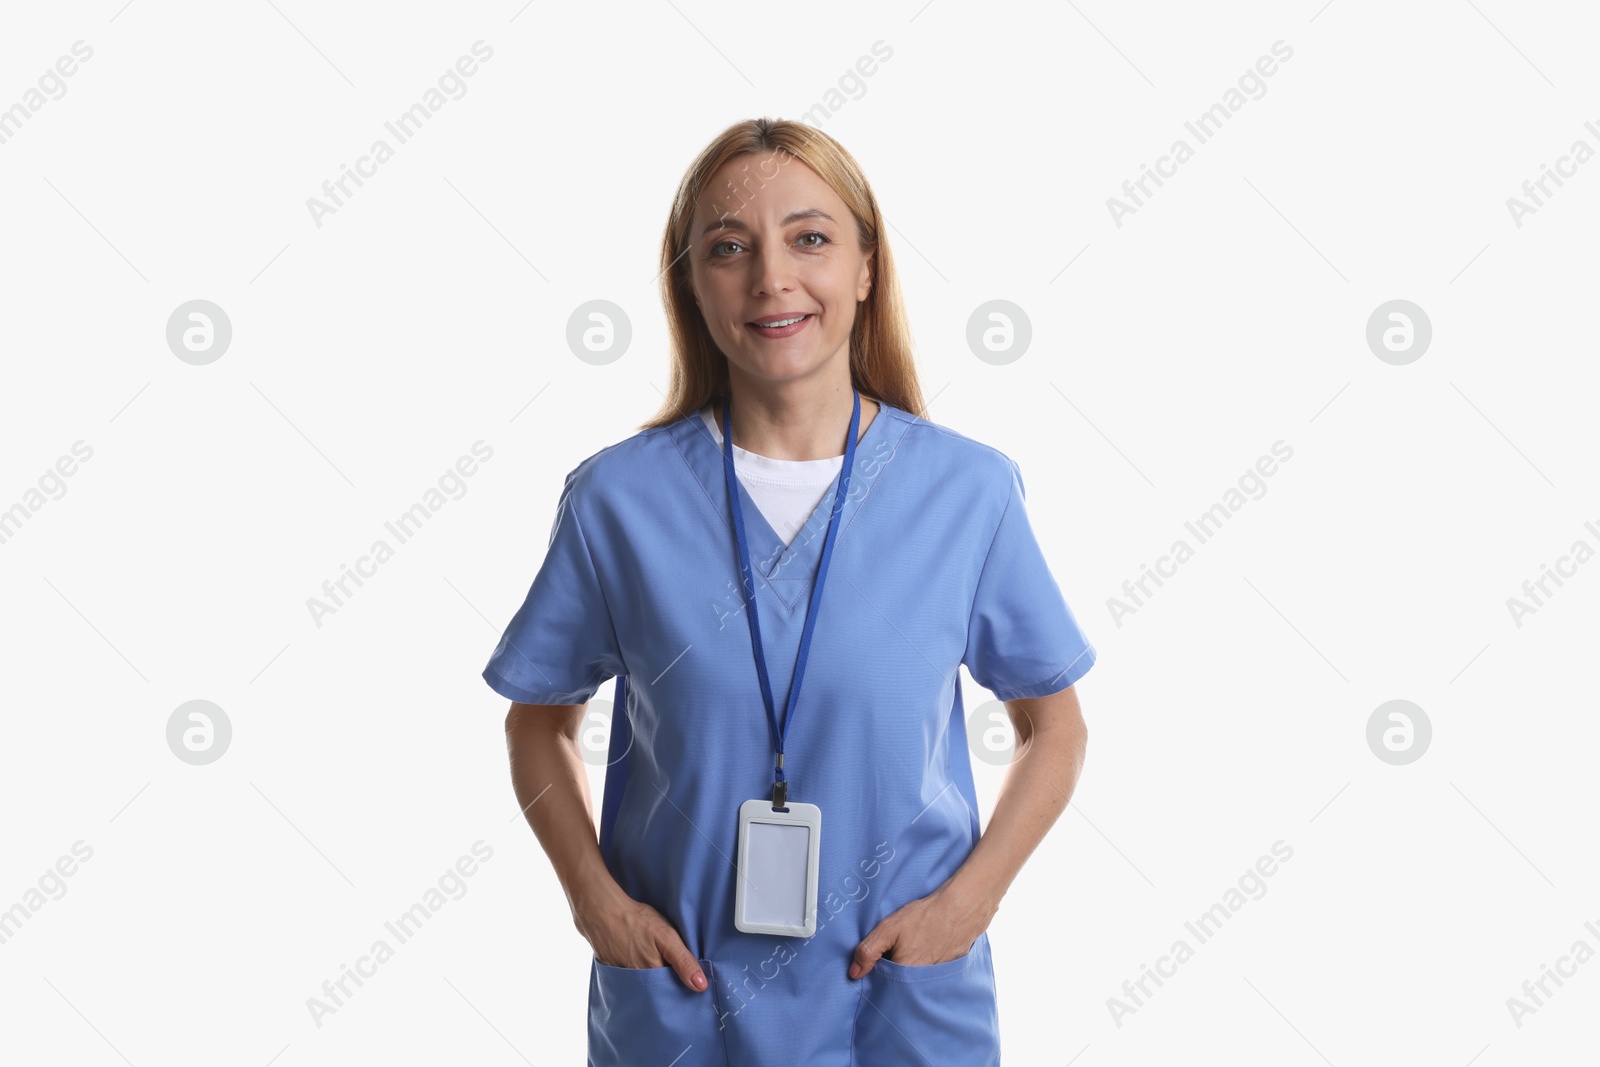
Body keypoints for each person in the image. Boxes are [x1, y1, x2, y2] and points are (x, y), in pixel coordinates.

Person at [482, 117, 1096, 1066]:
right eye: (730, 247)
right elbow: (538, 719)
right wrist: (594, 902)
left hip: (902, 999)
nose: (771, 277)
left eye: (809, 238)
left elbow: (1054, 726)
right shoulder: (618, 500)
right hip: (683, 1001)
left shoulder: (967, 492)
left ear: (865, 267)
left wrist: (968, 904)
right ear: (691, 281)